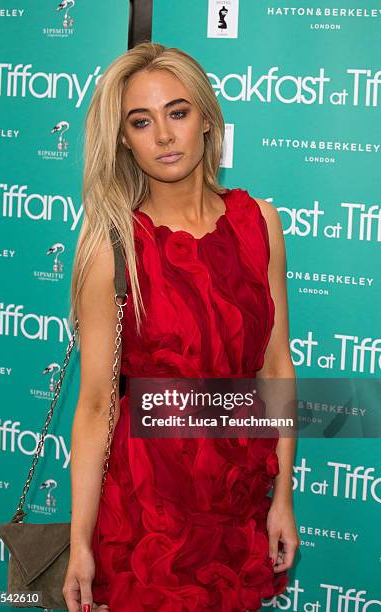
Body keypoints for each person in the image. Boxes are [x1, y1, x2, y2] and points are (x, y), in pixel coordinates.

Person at [63, 41, 300, 612]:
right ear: (123, 138)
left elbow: (275, 367)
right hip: (148, 511)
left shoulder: (259, 223)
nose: (164, 136)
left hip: (236, 499)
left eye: (178, 112)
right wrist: (79, 542)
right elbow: (97, 404)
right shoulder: (112, 245)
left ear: (207, 118)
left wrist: (282, 496)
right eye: (141, 122)